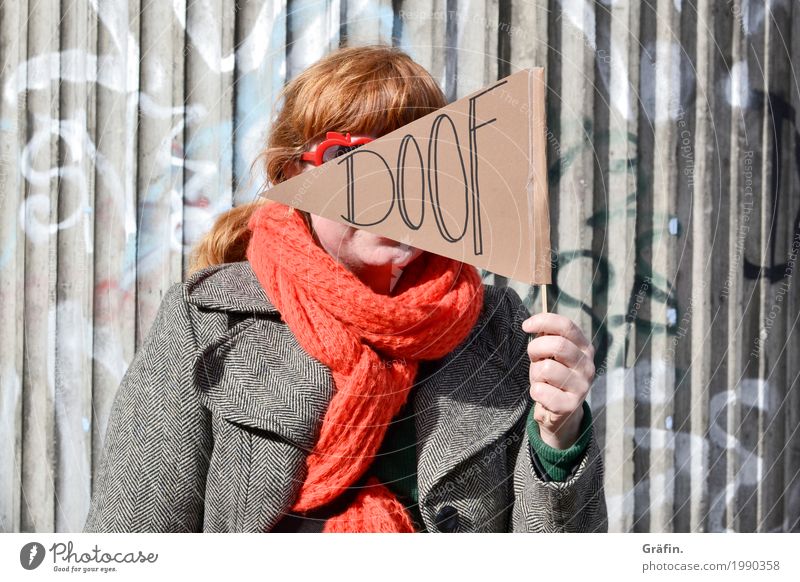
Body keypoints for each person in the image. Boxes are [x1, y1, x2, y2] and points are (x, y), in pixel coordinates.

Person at [83, 45, 607, 533]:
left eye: (418, 158)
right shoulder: (206, 321)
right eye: (354, 159)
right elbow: (132, 543)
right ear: (294, 173)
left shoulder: (498, 331)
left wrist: (559, 441)